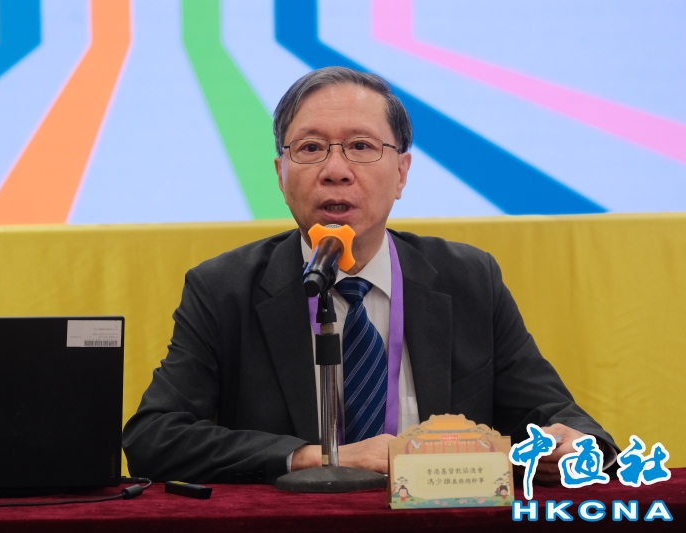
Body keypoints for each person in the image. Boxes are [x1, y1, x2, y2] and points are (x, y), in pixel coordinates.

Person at [122, 67, 617, 484]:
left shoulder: (468, 280)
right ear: (280, 174)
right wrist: (317, 458)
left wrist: (575, 443)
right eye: (310, 148)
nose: (336, 170)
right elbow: (153, 438)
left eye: (361, 146)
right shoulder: (223, 288)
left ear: (401, 172)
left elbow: (556, 417)